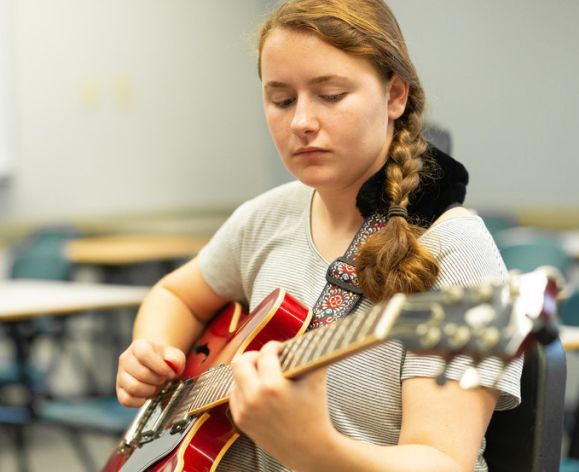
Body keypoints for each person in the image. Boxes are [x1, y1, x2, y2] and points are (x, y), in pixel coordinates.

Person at [116, 1, 522, 470]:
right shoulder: (265, 218)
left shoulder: (458, 253)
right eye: (281, 100)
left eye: (330, 95)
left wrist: (313, 449)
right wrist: (153, 351)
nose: (301, 122)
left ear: (395, 96)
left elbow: (442, 461)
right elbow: (176, 294)